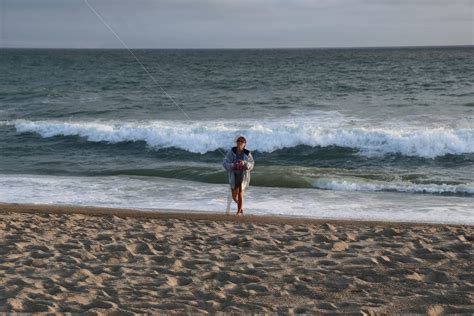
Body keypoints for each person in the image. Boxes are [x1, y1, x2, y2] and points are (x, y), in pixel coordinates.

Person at [223, 136, 254, 216]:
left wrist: (244, 163)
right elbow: (225, 163)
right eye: (238, 141)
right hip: (234, 175)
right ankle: (241, 206)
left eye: (242, 141)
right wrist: (233, 165)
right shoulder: (232, 151)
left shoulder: (247, 153)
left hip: (243, 175)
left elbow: (252, 164)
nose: (240, 142)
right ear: (236, 142)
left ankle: (238, 212)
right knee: (234, 195)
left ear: (244, 144)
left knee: (240, 192)